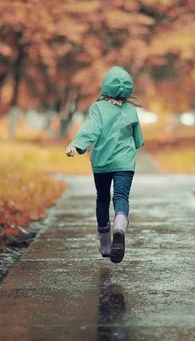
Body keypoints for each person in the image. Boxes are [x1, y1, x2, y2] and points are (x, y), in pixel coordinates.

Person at [65, 66, 144, 264]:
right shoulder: (131, 111)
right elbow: (139, 140)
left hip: (102, 162)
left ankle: (107, 245)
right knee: (121, 197)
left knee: (102, 199)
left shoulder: (98, 109)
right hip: (125, 163)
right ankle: (120, 228)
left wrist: (77, 144)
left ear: (106, 86)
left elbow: (91, 129)